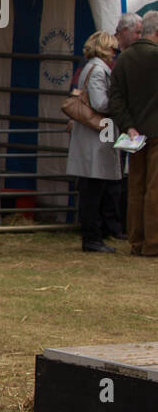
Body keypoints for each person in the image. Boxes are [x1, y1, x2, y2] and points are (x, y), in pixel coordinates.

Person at [68, 32, 124, 252]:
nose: (114, 54)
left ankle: (93, 235)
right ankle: (92, 237)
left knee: (92, 189)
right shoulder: (99, 70)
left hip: (90, 136)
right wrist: (118, 102)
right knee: (93, 189)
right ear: (104, 49)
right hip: (95, 135)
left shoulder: (90, 68)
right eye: (113, 49)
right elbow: (101, 103)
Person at [108, 11, 158, 257]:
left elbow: (115, 99)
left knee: (135, 188)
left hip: (134, 134)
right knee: (154, 189)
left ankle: (136, 240)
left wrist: (129, 126)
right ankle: (153, 243)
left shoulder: (123, 60)